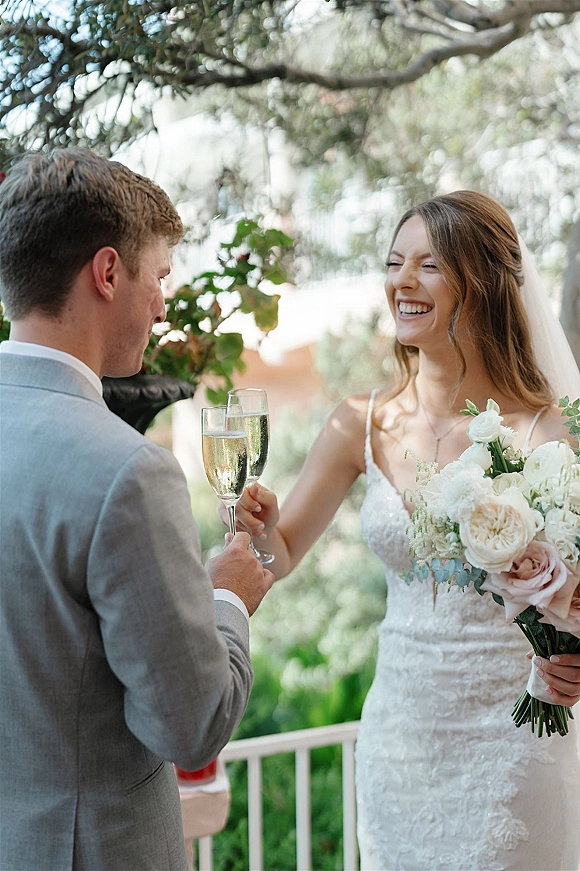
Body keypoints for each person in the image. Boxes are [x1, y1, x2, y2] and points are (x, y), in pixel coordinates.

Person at [231, 191, 580, 870]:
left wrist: (573, 656)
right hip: (400, 740)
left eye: (428, 265)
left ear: (477, 285)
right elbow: (282, 551)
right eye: (394, 263)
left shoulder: (547, 431)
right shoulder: (355, 422)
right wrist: (250, 526)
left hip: (514, 743)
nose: (401, 281)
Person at [0, 148, 274, 871]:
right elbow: (192, 724)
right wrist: (227, 597)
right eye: (157, 277)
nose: (160, 304)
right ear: (108, 272)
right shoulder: (126, 469)